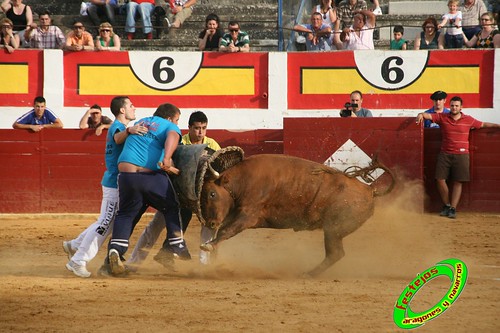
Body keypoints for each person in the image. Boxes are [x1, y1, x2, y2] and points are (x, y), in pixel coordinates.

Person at [63, 96, 148, 278]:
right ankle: (77, 260)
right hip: (114, 183)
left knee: (106, 221)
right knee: (105, 223)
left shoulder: (118, 126)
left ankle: (76, 245)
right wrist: (130, 130)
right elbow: (118, 138)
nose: (134, 108)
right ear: (122, 110)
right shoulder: (119, 127)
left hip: (114, 181)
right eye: (131, 106)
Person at [127, 110, 221, 268]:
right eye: (197, 128)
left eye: (204, 128)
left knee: (208, 224)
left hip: (200, 197)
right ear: (189, 127)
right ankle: (134, 262)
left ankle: (204, 266)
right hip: (176, 194)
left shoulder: (212, 144)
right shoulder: (180, 141)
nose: (200, 132)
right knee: (156, 225)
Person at [107, 103, 190, 276]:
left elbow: (122, 139)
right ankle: (176, 243)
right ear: (169, 118)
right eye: (176, 120)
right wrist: (167, 158)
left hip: (126, 175)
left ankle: (115, 249)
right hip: (149, 176)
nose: (177, 123)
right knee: (172, 205)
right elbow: (173, 136)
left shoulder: (143, 121)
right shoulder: (169, 126)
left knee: (125, 214)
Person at [416, 96, 500, 219]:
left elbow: (483, 124)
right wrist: (420, 115)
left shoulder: (468, 119)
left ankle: (453, 208)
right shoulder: (442, 117)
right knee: (439, 179)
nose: (454, 108)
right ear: (449, 106)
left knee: (458, 181)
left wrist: (498, 125)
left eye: (456, 106)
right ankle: (447, 205)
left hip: (462, 154)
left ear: (461, 107)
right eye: (452, 105)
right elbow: (427, 115)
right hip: (445, 153)